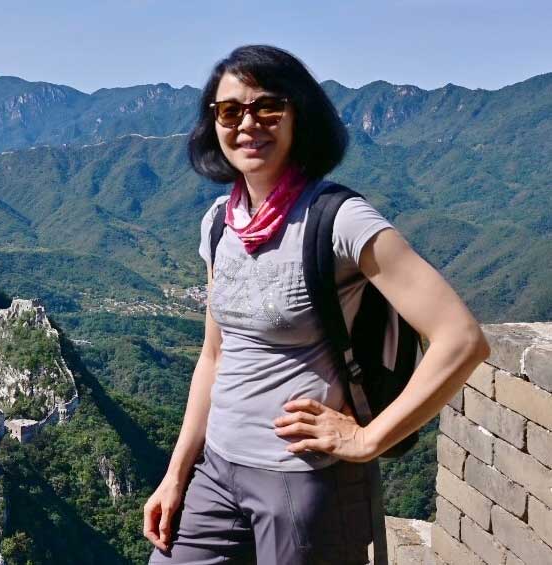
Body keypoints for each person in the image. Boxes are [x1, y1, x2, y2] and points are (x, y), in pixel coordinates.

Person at [143, 44, 490, 565]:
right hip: (215, 473)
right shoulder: (219, 222)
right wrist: (176, 476)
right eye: (230, 110)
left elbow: (461, 339)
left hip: (305, 483)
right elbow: (214, 358)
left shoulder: (340, 219)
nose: (248, 124)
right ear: (213, 123)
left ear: (298, 116)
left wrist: (368, 439)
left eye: (268, 107)